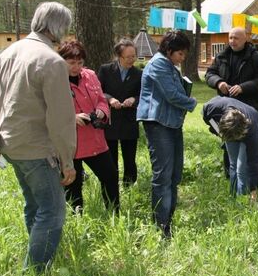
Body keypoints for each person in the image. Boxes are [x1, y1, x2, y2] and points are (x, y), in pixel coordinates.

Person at [0, 2, 76, 272]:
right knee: (52, 211)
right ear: (58, 27)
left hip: (10, 144)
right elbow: (61, 119)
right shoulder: (52, 61)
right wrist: (67, 160)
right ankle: (36, 271)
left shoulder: (9, 52)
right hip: (38, 148)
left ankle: (37, 256)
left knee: (35, 205)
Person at [137, 31, 197, 238]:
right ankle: (161, 226)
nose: (182, 58)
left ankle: (168, 220)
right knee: (163, 176)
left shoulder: (169, 65)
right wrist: (192, 102)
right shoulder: (159, 65)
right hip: (158, 123)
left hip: (171, 123)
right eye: (180, 54)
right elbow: (172, 94)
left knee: (174, 174)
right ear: (169, 51)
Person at [59, 40, 120, 213]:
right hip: (71, 144)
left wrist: (101, 111)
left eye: (80, 62)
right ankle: (77, 220)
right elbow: (48, 110)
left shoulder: (90, 75)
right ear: (60, 60)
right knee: (73, 184)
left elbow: (101, 99)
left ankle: (114, 214)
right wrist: (72, 118)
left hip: (95, 140)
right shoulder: (54, 80)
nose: (76, 67)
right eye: (71, 63)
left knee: (110, 176)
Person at [205, 27, 258, 177]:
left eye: (236, 38)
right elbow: (210, 74)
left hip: (250, 109)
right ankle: (231, 180)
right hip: (227, 110)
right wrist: (218, 82)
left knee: (248, 148)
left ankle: (248, 182)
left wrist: (243, 88)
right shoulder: (221, 56)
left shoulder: (257, 57)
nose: (232, 41)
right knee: (228, 146)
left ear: (245, 39)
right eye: (230, 38)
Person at [98, 38, 142, 187]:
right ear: (118, 56)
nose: (131, 60)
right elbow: (98, 92)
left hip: (129, 120)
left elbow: (143, 95)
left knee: (130, 157)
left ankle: (129, 186)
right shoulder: (106, 70)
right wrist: (109, 99)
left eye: (133, 56)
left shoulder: (138, 74)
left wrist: (134, 99)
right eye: (127, 57)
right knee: (111, 157)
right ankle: (112, 185)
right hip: (110, 120)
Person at [202, 97, 258, 202]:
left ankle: (242, 200)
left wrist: (254, 190)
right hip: (229, 129)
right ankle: (233, 197)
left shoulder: (252, 131)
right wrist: (219, 131)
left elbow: (254, 163)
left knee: (242, 169)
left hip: (251, 126)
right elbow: (206, 116)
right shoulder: (211, 108)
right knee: (233, 164)